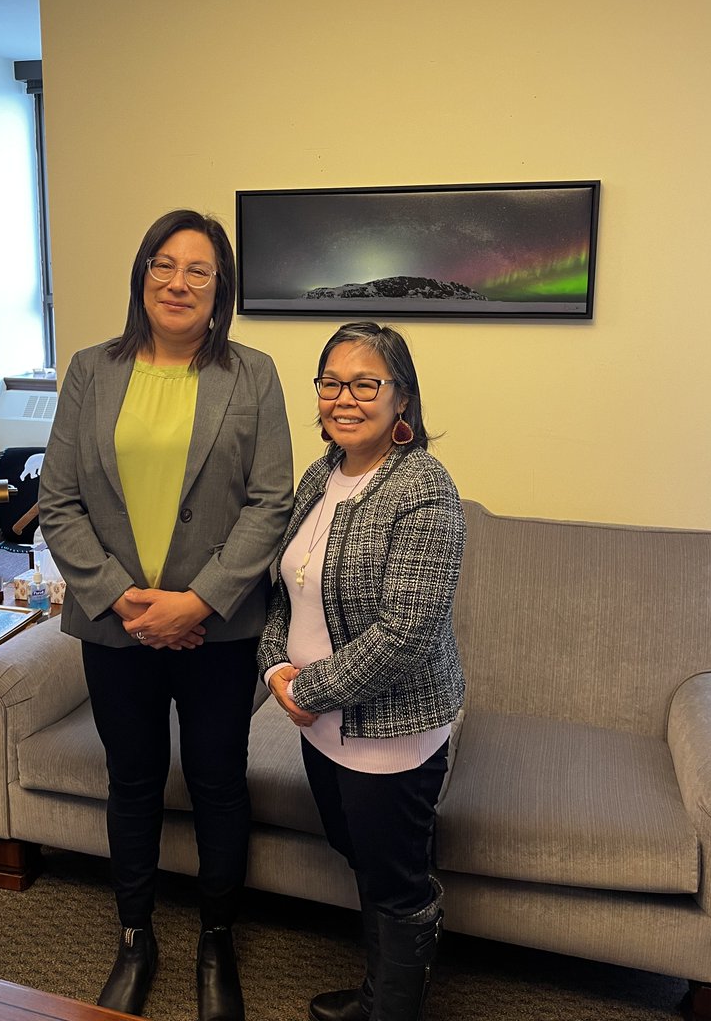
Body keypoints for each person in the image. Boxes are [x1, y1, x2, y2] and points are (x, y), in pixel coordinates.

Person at [38, 209, 293, 1021]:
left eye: (199, 271)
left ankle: (216, 937)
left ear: (221, 291)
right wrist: (120, 598)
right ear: (142, 275)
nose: (178, 282)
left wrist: (197, 601)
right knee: (133, 780)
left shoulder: (253, 374)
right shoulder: (89, 370)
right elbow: (59, 499)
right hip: (115, 628)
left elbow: (269, 501)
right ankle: (133, 935)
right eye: (164, 264)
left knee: (218, 781)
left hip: (217, 631)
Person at [257, 322, 465, 1021]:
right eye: (331, 382)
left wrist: (305, 690)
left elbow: (406, 634)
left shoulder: (425, 487)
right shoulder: (321, 476)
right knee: (361, 857)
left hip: (390, 731)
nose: (345, 398)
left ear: (400, 397)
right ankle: (380, 995)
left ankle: (390, 1011)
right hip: (317, 724)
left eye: (366, 383)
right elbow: (283, 588)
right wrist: (277, 669)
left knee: (397, 880)